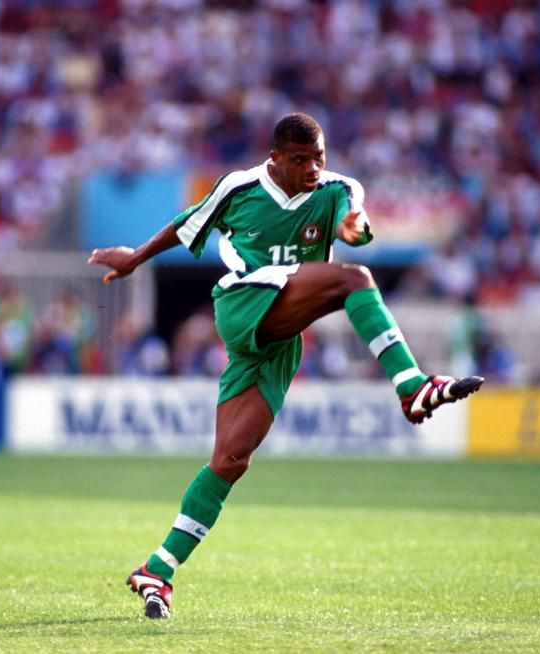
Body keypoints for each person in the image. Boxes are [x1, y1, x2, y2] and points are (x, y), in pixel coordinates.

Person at [88, 113, 484, 619]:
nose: (313, 168)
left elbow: (354, 215)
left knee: (230, 461)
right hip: (242, 303)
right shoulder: (239, 187)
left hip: (278, 341)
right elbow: (187, 222)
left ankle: (157, 570)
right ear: (275, 158)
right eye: (300, 160)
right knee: (353, 281)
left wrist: (353, 224)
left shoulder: (337, 188)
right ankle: (412, 385)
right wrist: (136, 258)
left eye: (318, 157)